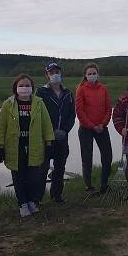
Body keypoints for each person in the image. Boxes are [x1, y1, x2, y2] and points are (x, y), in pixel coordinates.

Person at [0, 74, 54, 217]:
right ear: (15, 88)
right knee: (18, 177)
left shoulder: (39, 103)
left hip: (34, 146)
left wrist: (49, 143)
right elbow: (1, 127)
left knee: (34, 177)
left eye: (27, 85)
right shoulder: (8, 104)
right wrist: (0, 147)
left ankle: (32, 201)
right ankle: (22, 203)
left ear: (32, 88)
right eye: (21, 85)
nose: (24, 88)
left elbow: (46, 125)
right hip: (15, 147)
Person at [36, 62, 76, 203]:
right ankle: (37, 198)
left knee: (60, 168)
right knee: (42, 168)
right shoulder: (40, 92)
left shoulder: (68, 93)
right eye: (51, 72)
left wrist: (65, 130)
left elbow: (72, 114)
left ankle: (56, 196)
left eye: (57, 72)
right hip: (45, 138)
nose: (55, 75)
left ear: (61, 73)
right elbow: (38, 114)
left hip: (62, 137)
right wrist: (50, 131)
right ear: (47, 75)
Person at [75, 63, 113, 194]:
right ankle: (88, 186)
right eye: (89, 73)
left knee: (107, 156)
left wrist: (103, 124)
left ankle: (104, 184)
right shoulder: (81, 89)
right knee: (87, 158)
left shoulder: (103, 89)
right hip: (86, 129)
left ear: (98, 74)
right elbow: (79, 112)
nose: (92, 75)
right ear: (85, 76)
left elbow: (109, 108)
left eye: (94, 73)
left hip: (102, 128)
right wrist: (92, 125)